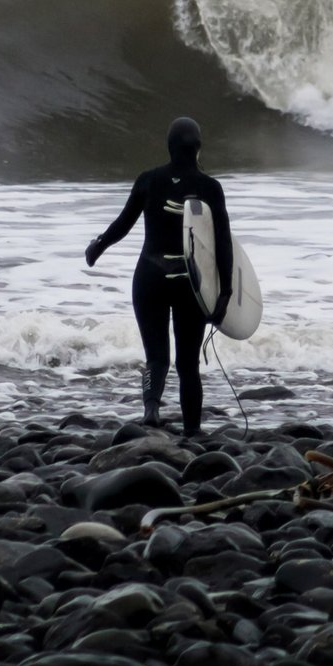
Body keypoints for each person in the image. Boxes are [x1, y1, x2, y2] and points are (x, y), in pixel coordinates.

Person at [85, 117, 232, 434]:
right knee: (188, 364)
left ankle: (151, 410)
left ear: (168, 147)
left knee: (156, 357)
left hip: (149, 277)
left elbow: (122, 225)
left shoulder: (148, 180)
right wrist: (226, 293)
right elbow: (222, 243)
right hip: (187, 283)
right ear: (198, 148)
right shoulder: (210, 188)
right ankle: (192, 432)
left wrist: (98, 246)